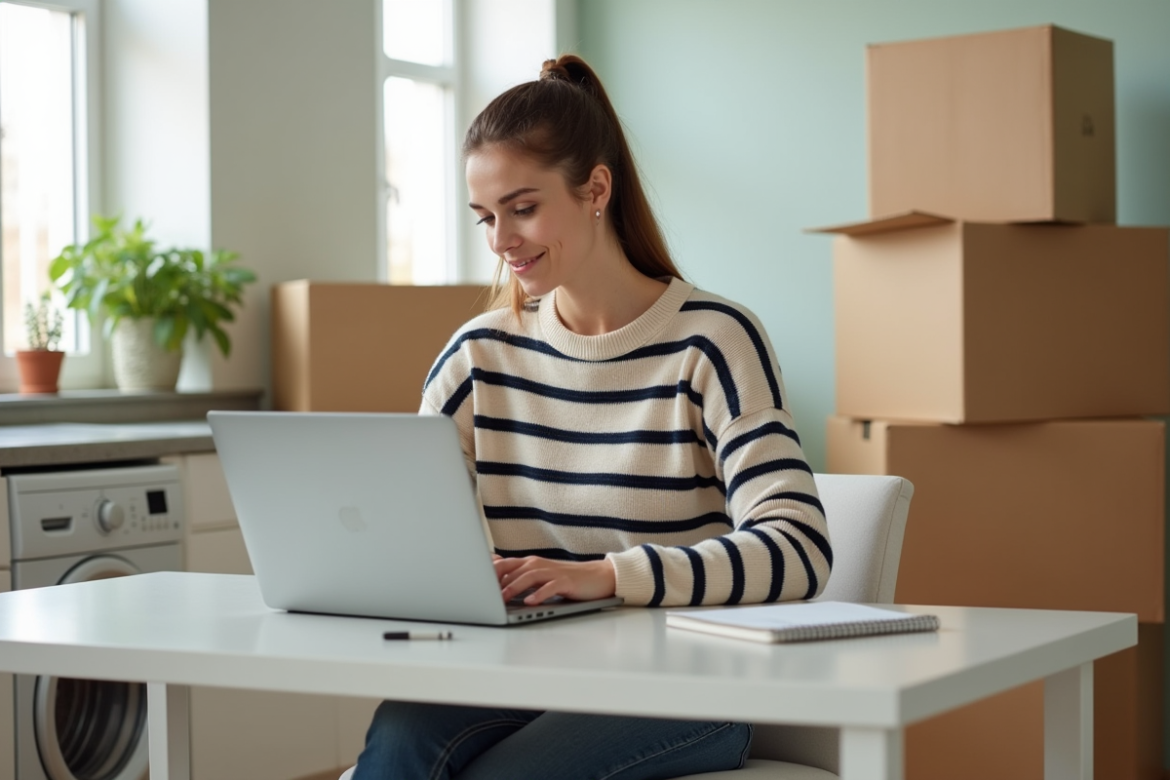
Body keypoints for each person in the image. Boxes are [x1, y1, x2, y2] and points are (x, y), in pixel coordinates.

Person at [352, 54, 830, 780]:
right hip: (523, 670)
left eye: (522, 208)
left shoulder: (713, 340)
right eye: (485, 217)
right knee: (399, 739)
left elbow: (798, 549)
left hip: (688, 682)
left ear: (596, 189)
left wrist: (607, 576)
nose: (500, 240)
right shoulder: (478, 354)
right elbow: (409, 530)